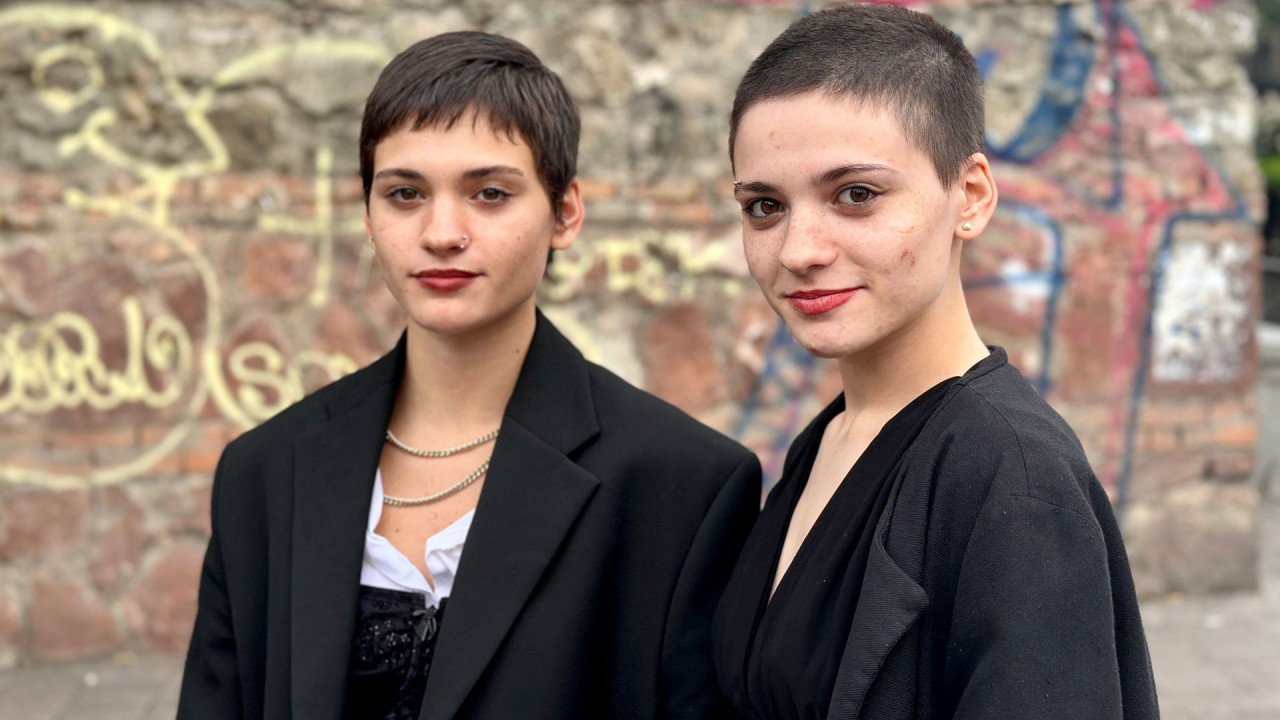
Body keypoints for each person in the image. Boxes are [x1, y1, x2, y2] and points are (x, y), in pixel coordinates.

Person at [178, 31, 762, 720]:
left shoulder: (682, 485)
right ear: (367, 214)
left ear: (565, 214)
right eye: (404, 194)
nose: (442, 232)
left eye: (489, 193)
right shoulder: (264, 473)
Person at [711, 5, 1159, 719]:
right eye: (764, 206)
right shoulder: (829, 440)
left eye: (855, 195)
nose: (798, 250)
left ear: (971, 198)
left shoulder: (1011, 475)